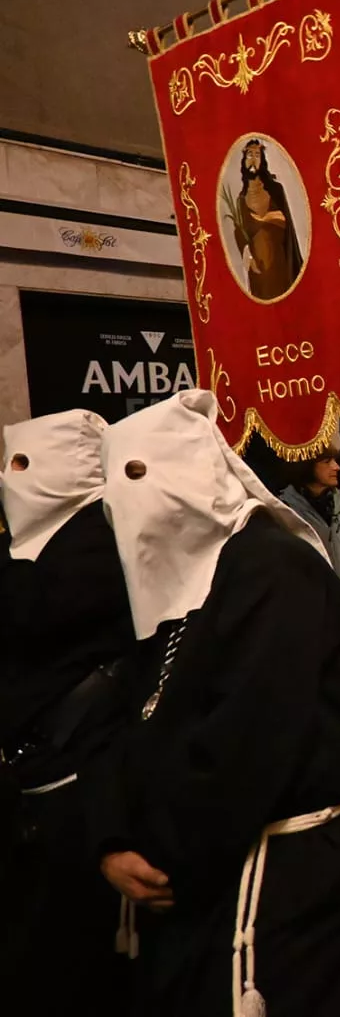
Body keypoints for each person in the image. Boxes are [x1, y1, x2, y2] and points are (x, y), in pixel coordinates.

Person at [86, 389, 340, 1015]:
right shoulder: (180, 579)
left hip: (278, 880)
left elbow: (249, 745)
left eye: (139, 477)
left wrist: (156, 850)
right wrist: (111, 836)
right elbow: (135, 713)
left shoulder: (272, 569)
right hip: (208, 867)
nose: (124, 503)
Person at [0, 411, 136, 1016]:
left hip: (81, 775)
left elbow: (36, 613)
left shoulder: (99, 536)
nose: (12, 478)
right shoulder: (23, 543)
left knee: (73, 950)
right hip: (28, 775)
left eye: (26, 464)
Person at [278, 444, 340, 674]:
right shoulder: (286, 511)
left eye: (336, 460)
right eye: (327, 461)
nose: (337, 467)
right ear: (307, 466)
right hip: (316, 624)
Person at [226, 138, 304, 300]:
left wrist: (264, 220)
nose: (253, 158)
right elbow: (241, 232)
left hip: (279, 262)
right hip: (258, 270)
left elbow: (284, 222)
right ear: (244, 161)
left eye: (257, 154)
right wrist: (248, 255)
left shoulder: (276, 190)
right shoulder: (241, 200)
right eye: (249, 155)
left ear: (262, 160)